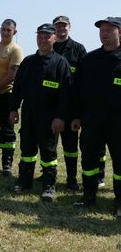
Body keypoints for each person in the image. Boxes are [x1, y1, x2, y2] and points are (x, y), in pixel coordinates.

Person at [9, 24, 71, 202]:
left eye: (47, 36)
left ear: (54, 38)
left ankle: (48, 186)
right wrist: (13, 109)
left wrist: (60, 117)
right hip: (29, 112)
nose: (43, 40)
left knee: (48, 152)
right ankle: (24, 181)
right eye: (40, 36)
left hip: (50, 116)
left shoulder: (60, 63)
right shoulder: (28, 62)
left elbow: (66, 94)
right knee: (27, 149)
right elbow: (17, 88)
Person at [72, 17, 121, 219]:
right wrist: (76, 116)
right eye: (102, 30)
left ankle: (119, 201)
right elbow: (78, 90)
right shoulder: (90, 59)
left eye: (110, 29)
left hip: (118, 122)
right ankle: (89, 195)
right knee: (89, 159)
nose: (104, 33)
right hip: (92, 119)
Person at [52, 16, 88, 190]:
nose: (61, 29)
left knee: (70, 145)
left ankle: (72, 178)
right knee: (48, 144)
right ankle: (47, 173)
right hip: (50, 105)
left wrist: (78, 113)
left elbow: (83, 82)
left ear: (69, 27)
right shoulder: (49, 47)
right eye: (57, 26)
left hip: (70, 107)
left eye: (64, 25)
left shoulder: (78, 49)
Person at [0, 19, 24, 176]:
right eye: (3, 29)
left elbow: (12, 75)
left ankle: (6, 164)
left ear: (14, 32)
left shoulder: (16, 50)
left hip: (7, 95)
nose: (5, 32)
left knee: (7, 131)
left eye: (9, 30)